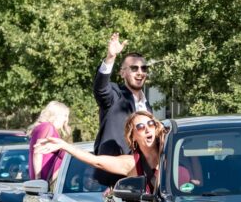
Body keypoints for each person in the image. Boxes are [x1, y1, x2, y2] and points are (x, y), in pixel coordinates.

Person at [37, 111, 166, 193]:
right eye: (141, 127)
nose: (148, 129)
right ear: (133, 137)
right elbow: (96, 161)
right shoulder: (131, 163)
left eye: (151, 124)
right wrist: (64, 145)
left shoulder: (171, 152)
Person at [93, 33, 152, 185]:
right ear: (122, 73)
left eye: (143, 68)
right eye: (134, 68)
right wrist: (110, 57)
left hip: (141, 180)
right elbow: (101, 89)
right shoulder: (115, 95)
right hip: (114, 180)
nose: (140, 72)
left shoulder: (147, 106)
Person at [27, 101, 70, 182]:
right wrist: (38, 178)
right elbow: (38, 151)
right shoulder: (48, 127)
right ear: (57, 115)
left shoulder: (43, 127)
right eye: (65, 115)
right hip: (45, 181)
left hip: (46, 181)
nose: (66, 119)